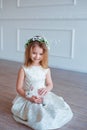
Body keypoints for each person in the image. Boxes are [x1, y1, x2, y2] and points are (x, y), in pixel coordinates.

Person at [11, 35, 73, 130]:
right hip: (29, 96)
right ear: (28, 52)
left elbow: (50, 84)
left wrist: (47, 89)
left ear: (44, 54)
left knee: (56, 110)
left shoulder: (45, 69)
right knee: (39, 115)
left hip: (43, 95)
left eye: (40, 54)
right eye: (34, 53)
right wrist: (29, 98)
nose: (37, 56)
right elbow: (19, 88)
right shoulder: (24, 69)